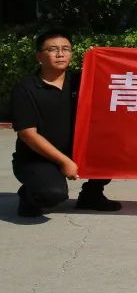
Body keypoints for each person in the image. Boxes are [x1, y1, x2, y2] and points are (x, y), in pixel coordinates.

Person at [11, 30, 121, 217]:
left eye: (66, 49)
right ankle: (29, 195)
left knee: (116, 149)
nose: (60, 54)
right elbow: (27, 134)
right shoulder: (25, 88)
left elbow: (115, 80)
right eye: (53, 49)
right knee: (52, 194)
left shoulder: (81, 82)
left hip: (76, 151)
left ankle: (91, 195)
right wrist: (64, 161)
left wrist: (100, 58)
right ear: (39, 56)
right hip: (37, 158)